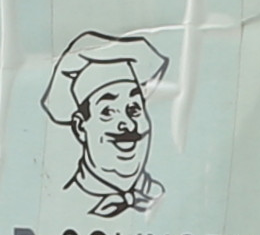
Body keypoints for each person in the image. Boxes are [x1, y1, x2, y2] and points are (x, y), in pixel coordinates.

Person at [42, 31, 169, 214]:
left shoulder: (166, 198)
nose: (128, 125)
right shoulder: (61, 205)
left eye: (134, 109)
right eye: (108, 112)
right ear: (80, 128)